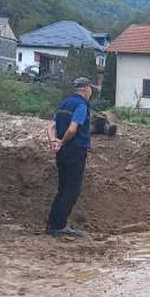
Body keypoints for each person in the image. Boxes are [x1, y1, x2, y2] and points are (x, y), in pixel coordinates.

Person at [46, 77, 99, 237]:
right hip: (75, 150)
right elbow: (73, 128)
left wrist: (54, 141)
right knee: (72, 190)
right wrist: (62, 141)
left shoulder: (64, 103)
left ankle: (52, 225)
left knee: (63, 188)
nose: (91, 93)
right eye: (91, 89)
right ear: (86, 89)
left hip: (62, 152)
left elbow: (51, 126)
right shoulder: (81, 105)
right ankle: (59, 227)